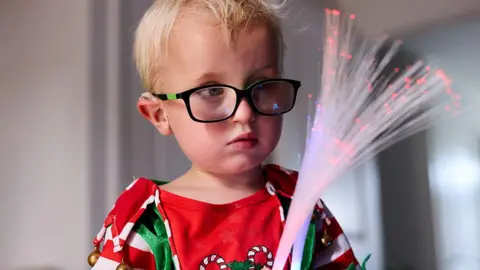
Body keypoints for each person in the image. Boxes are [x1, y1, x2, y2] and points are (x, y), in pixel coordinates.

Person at [87, 0, 361, 269]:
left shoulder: (301, 206)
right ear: (159, 114)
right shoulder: (147, 224)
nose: (244, 113)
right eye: (212, 91)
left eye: (262, 85)